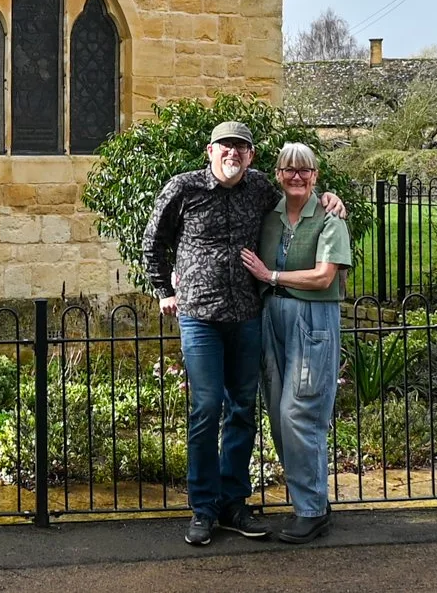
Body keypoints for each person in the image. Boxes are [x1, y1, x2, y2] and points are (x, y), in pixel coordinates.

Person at [143, 120, 346, 546]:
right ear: (210, 151)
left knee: (242, 410)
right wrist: (164, 290)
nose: (233, 153)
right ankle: (203, 508)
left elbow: (299, 198)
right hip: (200, 317)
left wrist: (331, 198)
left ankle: (233, 503)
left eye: (241, 147)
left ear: (251, 156)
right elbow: (153, 241)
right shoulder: (183, 188)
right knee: (205, 408)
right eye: (225, 146)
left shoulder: (260, 189)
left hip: (247, 317)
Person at [241, 140, 352, 544]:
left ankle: (311, 511)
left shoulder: (329, 217)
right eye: (289, 168)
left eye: (304, 169)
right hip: (272, 319)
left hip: (312, 321)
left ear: (316, 175)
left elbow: (323, 277)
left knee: (299, 413)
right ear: (278, 174)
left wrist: (270, 276)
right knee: (278, 414)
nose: (296, 176)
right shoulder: (268, 215)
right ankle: (313, 500)